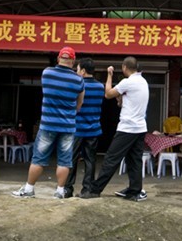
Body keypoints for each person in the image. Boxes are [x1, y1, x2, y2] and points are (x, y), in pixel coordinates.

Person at [12, 47, 84, 199]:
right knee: (64, 161)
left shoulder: (47, 73)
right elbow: (79, 105)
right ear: (73, 61)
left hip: (48, 125)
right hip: (68, 126)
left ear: (58, 58)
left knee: (38, 159)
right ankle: (60, 192)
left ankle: (29, 189)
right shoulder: (79, 80)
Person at [80, 56, 149, 202]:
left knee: (111, 159)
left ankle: (95, 189)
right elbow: (124, 102)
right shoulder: (143, 82)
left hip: (127, 128)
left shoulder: (128, 82)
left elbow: (108, 94)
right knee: (134, 160)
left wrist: (109, 75)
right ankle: (134, 191)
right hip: (140, 128)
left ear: (124, 67)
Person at [63, 57, 103, 198]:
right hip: (94, 129)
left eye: (78, 69)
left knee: (72, 159)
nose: (76, 72)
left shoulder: (77, 86)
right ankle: (87, 190)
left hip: (77, 129)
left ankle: (68, 189)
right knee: (90, 160)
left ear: (83, 71)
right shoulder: (100, 87)